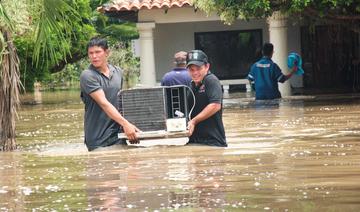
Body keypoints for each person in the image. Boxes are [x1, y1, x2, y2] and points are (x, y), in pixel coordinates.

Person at [80, 37, 140, 151]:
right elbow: (104, 103)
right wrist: (126, 124)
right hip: (98, 138)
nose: (94, 56)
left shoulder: (118, 71)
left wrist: (129, 126)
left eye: (97, 52)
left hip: (118, 135)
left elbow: (120, 101)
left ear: (107, 53)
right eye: (90, 53)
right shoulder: (87, 76)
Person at [186, 50, 227, 147]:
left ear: (207, 66)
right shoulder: (191, 85)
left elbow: (215, 105)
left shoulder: (211, 80)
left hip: (213, 142)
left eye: (198, 68)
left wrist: (194, 121)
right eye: (192, 69)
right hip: (195, 141)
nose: (195, 72)